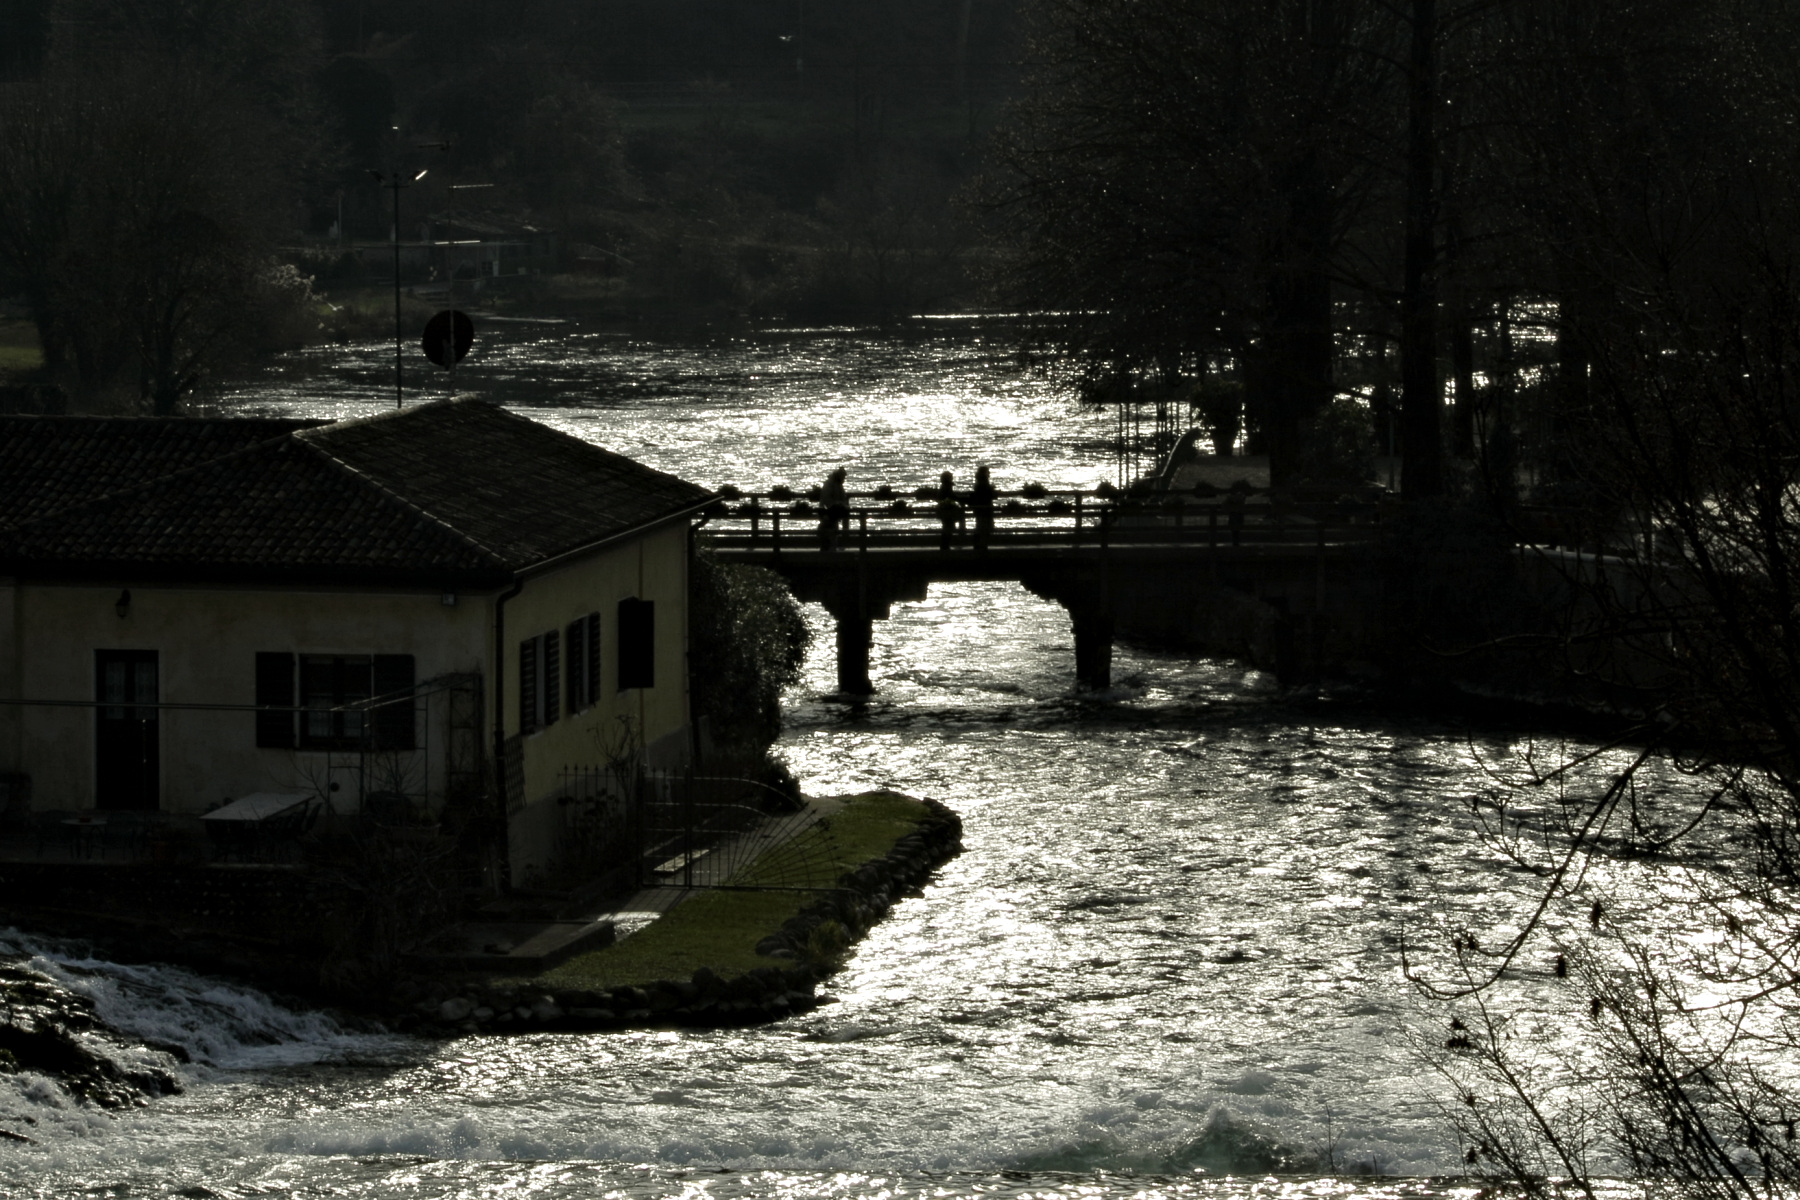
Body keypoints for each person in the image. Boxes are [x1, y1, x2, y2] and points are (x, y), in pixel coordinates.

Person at [819, 467, 849, 550]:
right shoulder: (830, 484)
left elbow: (843, 497)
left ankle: (832, 546)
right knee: (829, 529)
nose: (844, 479)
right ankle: (829, 547)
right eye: (843, 477)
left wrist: (841, 504)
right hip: (828, 511)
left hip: (834, 511)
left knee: (833, 529)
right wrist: (835, 505)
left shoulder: (838, 484)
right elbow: (826, 498)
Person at [970, 464, 997, 551]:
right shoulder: (984, 484)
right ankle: (982, 546)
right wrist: (992, 490)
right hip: (985, 509)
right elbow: (989, 495)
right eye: (988, 472)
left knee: (980, 526)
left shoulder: (978, 484)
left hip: (979, 509)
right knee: (984, 528)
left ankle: (979, 545)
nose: (989, 473)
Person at [935, 470, 964, 551]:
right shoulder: (947, 487)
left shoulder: (943, 487)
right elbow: (951, 497)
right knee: (948, 528)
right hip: (947, 511)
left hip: (944, 510)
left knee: (947, 527)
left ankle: (944, 545)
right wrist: (960, 500)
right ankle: (945, 545)